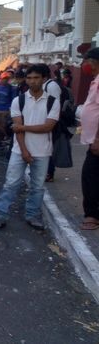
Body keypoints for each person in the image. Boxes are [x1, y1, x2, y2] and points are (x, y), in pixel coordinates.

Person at [0, 65, 60, 231]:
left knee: (38, 187)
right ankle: (0, 215)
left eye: (36, 78)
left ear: (44, 79)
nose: (32, 81)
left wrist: (23, 128)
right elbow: (17, 129)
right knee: (11, 184)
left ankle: (32, 215)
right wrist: (24, 151)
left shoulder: (52, 102)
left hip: (42, 151)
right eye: (29, 78)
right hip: (19, 150)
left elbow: (47, 127)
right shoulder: (18, 100)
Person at [80, 48, 99, 230]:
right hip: (93, 140)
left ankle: (92, 214)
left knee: (90, 176)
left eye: (87, 61)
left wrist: (97, 139)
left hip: (97, 142)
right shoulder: (96, 80)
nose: (85, 65)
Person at [0, 72, 16, 146]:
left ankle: (1, 141)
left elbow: (12, 99)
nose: (4, 80)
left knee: (2, 125)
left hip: (5, 110)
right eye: (3, 79)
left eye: (6, 79)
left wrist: (9, 109)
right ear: (0, 79)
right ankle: (7, 136)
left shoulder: (11, 88)